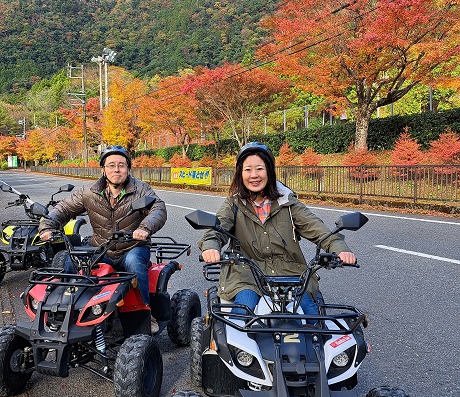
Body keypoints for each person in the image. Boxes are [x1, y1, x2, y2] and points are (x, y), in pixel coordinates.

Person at [199, 142, 356, 319]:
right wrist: (210, 246)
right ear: (240, 174)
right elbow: (217, 228)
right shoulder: (233, 204)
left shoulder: (288, 204)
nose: (254, 175)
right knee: (240, 316)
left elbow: (320, 230)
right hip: (247, 275)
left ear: (270, 171)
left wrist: (340, 249)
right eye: (247, 170)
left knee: (314, 319)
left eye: (260, 168)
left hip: (291, 275)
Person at [39, 146, 167, 333]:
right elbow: (63, 209)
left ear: (128, 169)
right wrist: (47, 226)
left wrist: (144, 228)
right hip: (101, 247)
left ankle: (145, 314)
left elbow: (158, 209)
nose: (117, 169)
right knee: (71, 261)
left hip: (132, 246)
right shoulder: (89, 192)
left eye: (121, 165)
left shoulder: (141, 190)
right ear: (103, 170)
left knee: (134, 263)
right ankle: (68, 311)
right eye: (112, 165)